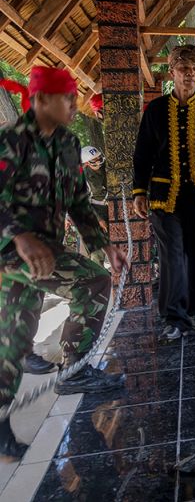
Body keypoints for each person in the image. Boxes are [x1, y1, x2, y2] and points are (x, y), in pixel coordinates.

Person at [0, 67, 129, 460]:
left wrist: (104, 245)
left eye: (75, 97)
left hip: (46, 251)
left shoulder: (70, 144)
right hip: (11, 252)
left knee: (17, 335)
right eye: (66, 97)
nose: (75, 104)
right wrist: (20, 237)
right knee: (90, 283)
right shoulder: (11, 142)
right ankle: (73, 373)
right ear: (40, 101)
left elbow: (76, 200)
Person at [133, 45, 195, 341]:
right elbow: (142, 155)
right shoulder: (154, 111)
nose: (189, 75)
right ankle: (174, 317)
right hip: (163, 196)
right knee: (172, 254)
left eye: (194, 70)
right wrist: (139, 191)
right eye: (183, 69)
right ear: (172, 73)